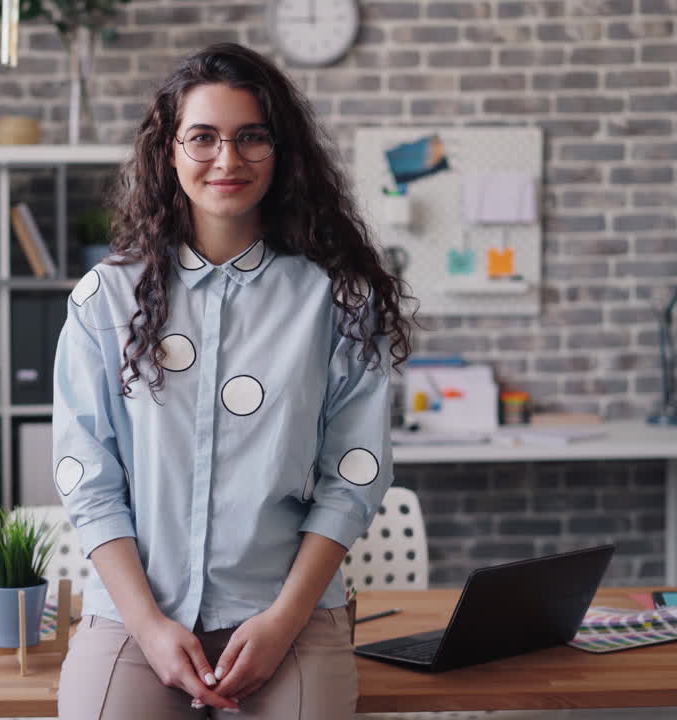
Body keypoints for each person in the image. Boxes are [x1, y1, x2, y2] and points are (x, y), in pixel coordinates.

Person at [52, 42, 413, 719]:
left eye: (252, 137)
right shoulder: (104, 299)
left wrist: (283, 622)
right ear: (169, 151)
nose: (228, 160)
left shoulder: (338, 300)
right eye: (203, 138)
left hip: (286, 615)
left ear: (282, 152)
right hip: (138, 615)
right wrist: (150, 628)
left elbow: (353, 477)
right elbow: (88, 479)